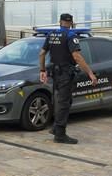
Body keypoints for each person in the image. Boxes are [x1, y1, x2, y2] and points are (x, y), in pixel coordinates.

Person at [39, 13, 97, 144]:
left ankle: (55, 128)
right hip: (65, 73)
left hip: (54, 73)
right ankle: (60, 134)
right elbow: (77, 57)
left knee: (63, 100)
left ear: (60, 22)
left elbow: (42, 53)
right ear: (71, 23)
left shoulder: (52, 34)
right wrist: (90, 73)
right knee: (64, 103)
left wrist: (42, 70)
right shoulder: (71, 36)